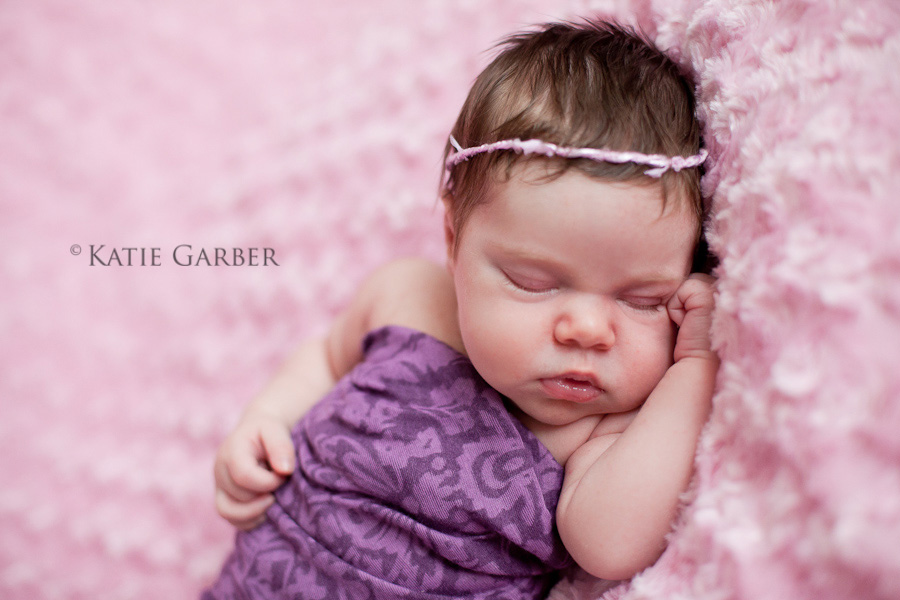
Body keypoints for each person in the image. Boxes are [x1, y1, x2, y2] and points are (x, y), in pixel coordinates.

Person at [205, 19, 717, 600]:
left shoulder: (598, 424)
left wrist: (693, 371)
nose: (589, 330)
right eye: (533, 282)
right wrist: (266, 418)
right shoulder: (409, 298)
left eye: (642, 300)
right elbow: (326, 358)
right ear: (453, 240)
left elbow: (609, 545)